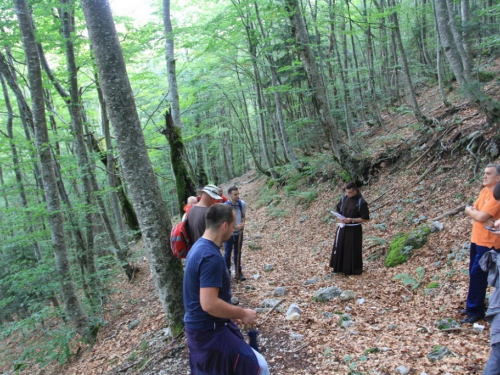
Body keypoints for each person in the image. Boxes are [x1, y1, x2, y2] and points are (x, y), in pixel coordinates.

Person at [183, 203, 269, 375]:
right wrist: (241, 313)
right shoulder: (210, 257)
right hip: (209, 333)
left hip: (204, 328)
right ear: (224, 226)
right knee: (259, 367)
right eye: (232, 225)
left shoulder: (198, 247)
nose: (233, 229)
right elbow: (209, 304)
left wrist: (229, 315)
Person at [462, 164, 500, 324]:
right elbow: (472, 210)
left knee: (478, 274)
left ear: (498, 178)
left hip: (489, 242)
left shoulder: (496, 196)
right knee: (473, 273)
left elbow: (480, 215)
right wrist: (473, 212)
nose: (484, 176)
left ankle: (475, 310)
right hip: (476, 239)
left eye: (488, 174)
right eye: (484, 173)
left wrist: (477, 214)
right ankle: (473, 305)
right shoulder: (485, 191)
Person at [329, 182, 370, 275]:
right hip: (343, 227)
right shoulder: (344, 198)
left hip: (354, 229)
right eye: (347, 192)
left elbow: (365, 218)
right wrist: (340, 217)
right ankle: (338, 268)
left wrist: (351, 220)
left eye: (350, 192)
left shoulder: (361, 202)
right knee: (340, 246)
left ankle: (352, 270)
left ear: (355, 191)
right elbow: (339, 210)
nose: (348, 194)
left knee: (352, 248)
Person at [224, 186, 247, 281]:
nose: (237, 196)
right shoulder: (226, 206)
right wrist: (235, 226)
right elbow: (225, 221)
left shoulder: (242, 204)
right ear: (230, 195)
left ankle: (238, 272)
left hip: (239, 233)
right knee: (227, 253)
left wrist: (242, 224)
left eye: (238, 194)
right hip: (228, 234)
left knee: (238, 252)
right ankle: (226, 273)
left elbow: (243, 216)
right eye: (235, 194)